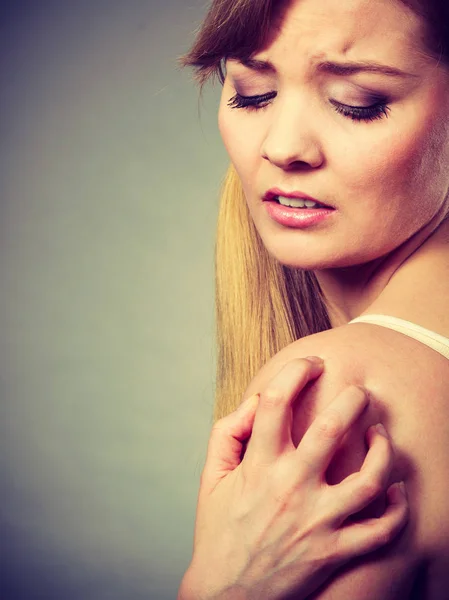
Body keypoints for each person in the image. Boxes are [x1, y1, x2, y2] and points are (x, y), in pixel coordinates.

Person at [178, 0, 449, 598]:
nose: (284, 147)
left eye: (357, 102)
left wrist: (224, 588)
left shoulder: (337, 397)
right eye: (251, 92)